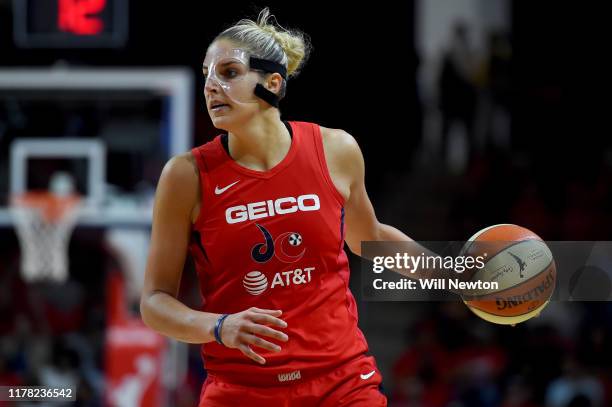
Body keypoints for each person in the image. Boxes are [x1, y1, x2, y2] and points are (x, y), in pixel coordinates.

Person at [140, 8, 428, 406]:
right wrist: (219, 326)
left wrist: (455, 275)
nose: (210, 86)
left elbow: (371, 238)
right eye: (206, 73)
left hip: (341, 383)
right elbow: (154, 300)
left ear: (272, 83)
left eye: (228, 72)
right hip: (240, 390)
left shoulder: (335, 149)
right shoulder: (185, 176)